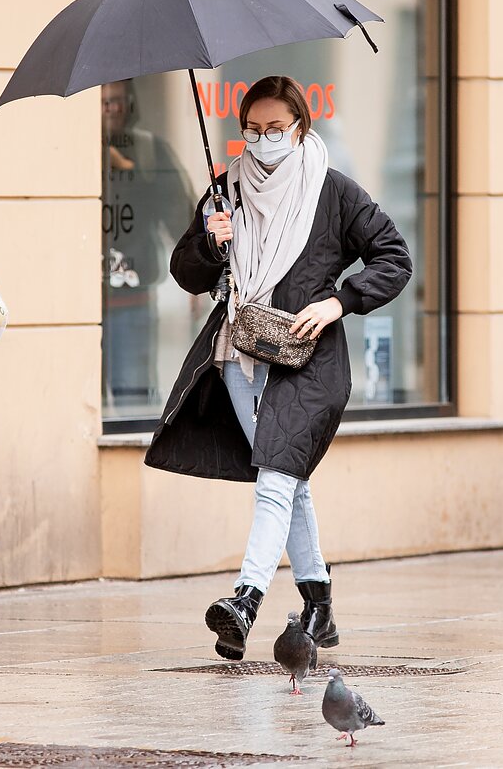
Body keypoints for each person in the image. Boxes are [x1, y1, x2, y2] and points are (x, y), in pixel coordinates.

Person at [144, 75, 413, 660]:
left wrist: (339, 299)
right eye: (253, 129)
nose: (263, 140)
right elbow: (187, 274)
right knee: (286, 478)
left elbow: (395, 257)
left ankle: (247, 599)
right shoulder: (225, 193)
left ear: (301, 127)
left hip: (308, 358)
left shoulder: (334, 191)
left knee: (275, 478)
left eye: (275, 129)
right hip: (238, 354)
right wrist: (210, 244)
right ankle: (320, 607)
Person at [101, 79, 193, 410]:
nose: (110, 110)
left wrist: (198, 276)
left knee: (134, 403)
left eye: (117, 101)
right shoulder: (75, 153)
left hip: (133, 300)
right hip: (79, 305)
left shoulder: (149, 150)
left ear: (130, 104)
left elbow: (181, 216)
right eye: (103, 103)